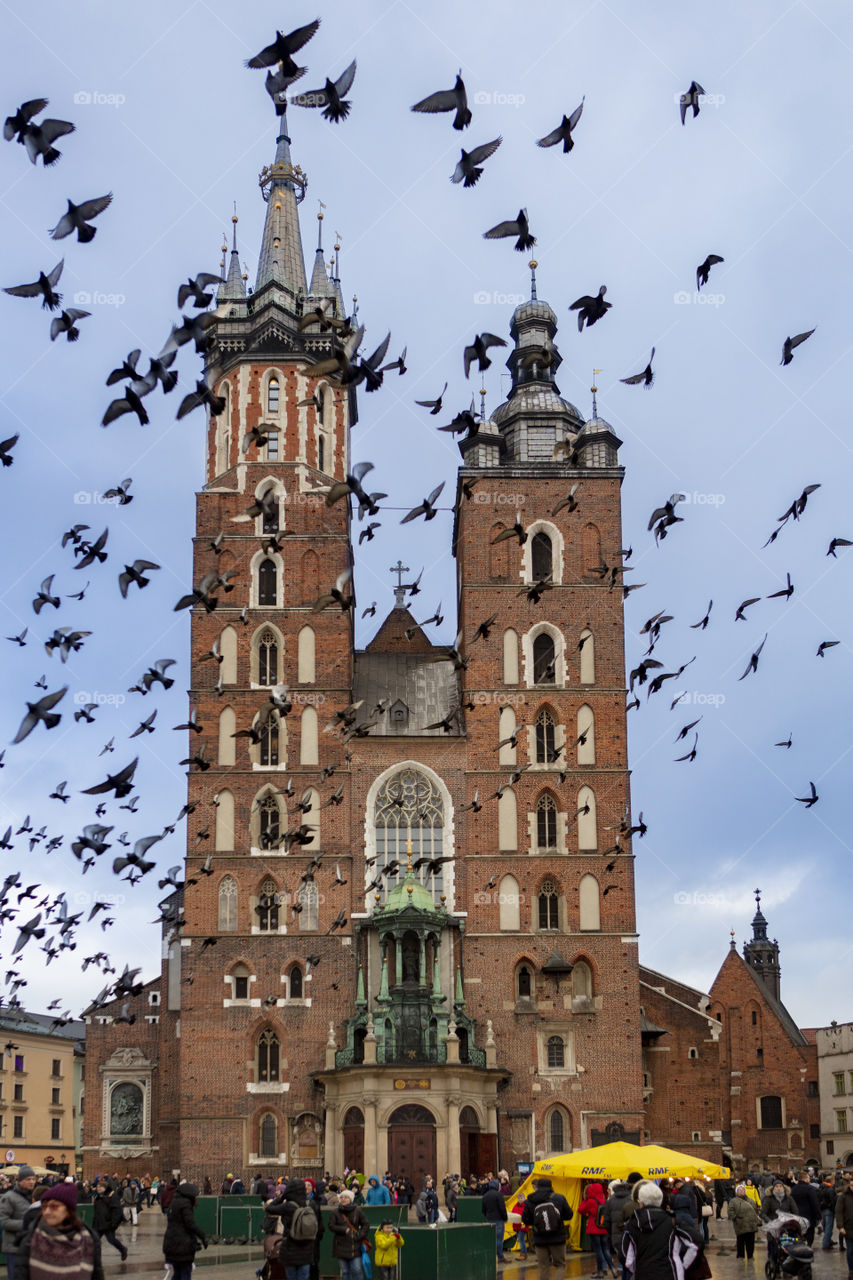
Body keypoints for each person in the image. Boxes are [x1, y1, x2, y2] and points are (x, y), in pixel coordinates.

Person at [15, 1183, 103, 1280]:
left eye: (54, 1206)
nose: (47, 1212)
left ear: (69, 1209)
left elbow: (97, 1275)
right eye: (44, 1206)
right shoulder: (30, 1240)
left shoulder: (89, 1240)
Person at [621, 1181, 699, 1280]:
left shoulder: (631, 1224)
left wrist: (638, 1268)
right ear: (660, 1201)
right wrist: (682, 1265)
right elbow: (696, 1243)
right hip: (671, 1273)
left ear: (641, 1203)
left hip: (644, 1274)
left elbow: (626, 1257)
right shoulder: (673, 1222)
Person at [266, 1177, 323, 1280]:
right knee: (303, 1277)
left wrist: (282, 1197)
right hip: (306, 1248)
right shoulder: (311, 1204)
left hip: (290, 1248)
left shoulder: (288, 1206)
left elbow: (269, 1208)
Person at [522, 1175, 573, 1280]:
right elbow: (569, 1215)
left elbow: (525, 1219)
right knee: (560, 1265)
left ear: (537, 1186)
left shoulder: (530, 1200)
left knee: (543, 1266)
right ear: (551, 1186)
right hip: (557, 1238)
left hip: (540, 1239)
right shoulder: (559, 1198)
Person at [162, 1181, 207, 1280]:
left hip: (172, 1244)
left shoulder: (174, 1202)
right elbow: (190, 1224)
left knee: (177, 1273)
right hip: (182, 1246)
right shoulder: (185, 1204)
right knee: (185, 1273)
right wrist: (202, 1235)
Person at [0, 1165, 37, 1280]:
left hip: (31, 1246)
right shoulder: (8, 1197)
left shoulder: (34, 1197)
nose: (31, 1182)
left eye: (33, 1179)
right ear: (20, 1181)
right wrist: (27, 1224)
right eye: (28, 1179)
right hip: (14, 1247)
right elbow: (3, 1221)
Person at [328, 1189, 370, 1280]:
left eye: (346, 1197)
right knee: (345, 1271)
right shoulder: (335, 1212)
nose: (343, 1199)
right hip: (340, 1245)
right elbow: (331, 1226)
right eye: (341, 1197)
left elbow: (366, 1225)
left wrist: (360, 1235)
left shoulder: (357, 1210)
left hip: (355, 1245)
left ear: (351, 1199)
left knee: (357, 1270)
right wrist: (343, 1229)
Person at [579, 1181, 618, 1279]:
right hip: (604, 1228)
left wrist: (585, 1200)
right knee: (606, 1249)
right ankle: (612, 1268)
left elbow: (581, 1210)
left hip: (594, 1228)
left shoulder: (591, 1201)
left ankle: (600, 1271)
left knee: (598, 1250)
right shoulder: (604, 1200)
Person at [91, 1180, 127, 1262]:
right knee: (94, 1241)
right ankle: (96, 1260)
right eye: (97, 1187)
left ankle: (123, 1249)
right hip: (98, 1223)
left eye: (100, 1187)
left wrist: (114, 1223)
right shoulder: (99, 1196)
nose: (98, 1188)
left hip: (108, 1223)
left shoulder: (112, 1196)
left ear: (105, 1187)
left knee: (111, 1240)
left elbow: (117, 1210)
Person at [727, 1184, 761, 1260]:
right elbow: (730, 1211)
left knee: (751, 1242)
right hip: (740, 1224)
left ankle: (750, 1255)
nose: (741, 1191)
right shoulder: (733, 1201)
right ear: (736, 1192)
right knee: (740, 1241)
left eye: (742, 1190)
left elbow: (755, 1210)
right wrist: (735, 1218)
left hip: (751, 1225)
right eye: (739, 1190)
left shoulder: (750, 1200)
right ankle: (740, 1255)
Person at [481, 1177, 509, 1263]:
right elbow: (502, 1208)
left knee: (490, 1239)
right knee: (499, 1240)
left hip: (489, 1219)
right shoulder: (498, 1195)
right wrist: (505, 1218)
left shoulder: (485, 1196)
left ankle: (490, 1257)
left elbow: (483, 1210)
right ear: (497, 1186)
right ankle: (500, 1257)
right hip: (498, 1220)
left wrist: (487, 1216)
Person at [790, 1171, 819, 1246]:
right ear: (805, 1179)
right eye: (809, 1178)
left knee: (799, 1236)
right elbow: (814, 1203)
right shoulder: (810, 1189)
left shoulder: (793, 1189)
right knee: (809, 1238)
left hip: (796, 1218)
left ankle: (799, 1250)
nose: (809, 1180)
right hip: (808, 1217)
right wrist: (818, 1216)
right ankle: (807, 1250)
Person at [835, 1174, 853, 1280]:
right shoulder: (843, 1197)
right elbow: (838, 1212)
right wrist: (840, 1226)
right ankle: (851, 1270)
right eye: (851, 1185)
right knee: (850, 1250)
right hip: (848, 1228)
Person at [818, 1175, 837, 1251]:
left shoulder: (820, 1188)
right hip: (829, 1210)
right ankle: (825, 1244)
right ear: (832, 1181)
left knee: (825, 1227)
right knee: (829, 1228)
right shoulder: (830, 1189)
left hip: (822, 1210)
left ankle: (829, 1241)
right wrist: (833, 1210)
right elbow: (833, 1201)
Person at [509, 1191, 528, 1258]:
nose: (520, 1199)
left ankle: (523, 1254)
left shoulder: (526, 1206)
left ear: (524, 1198)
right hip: (516, 1226)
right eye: (519, 1198)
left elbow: (527, 1216)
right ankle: (523, 1253)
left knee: (521, 1239)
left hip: (523, 1226)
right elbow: (513, 1214)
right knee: (520, 1240)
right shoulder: (515, 1206)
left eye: (521, 1198)